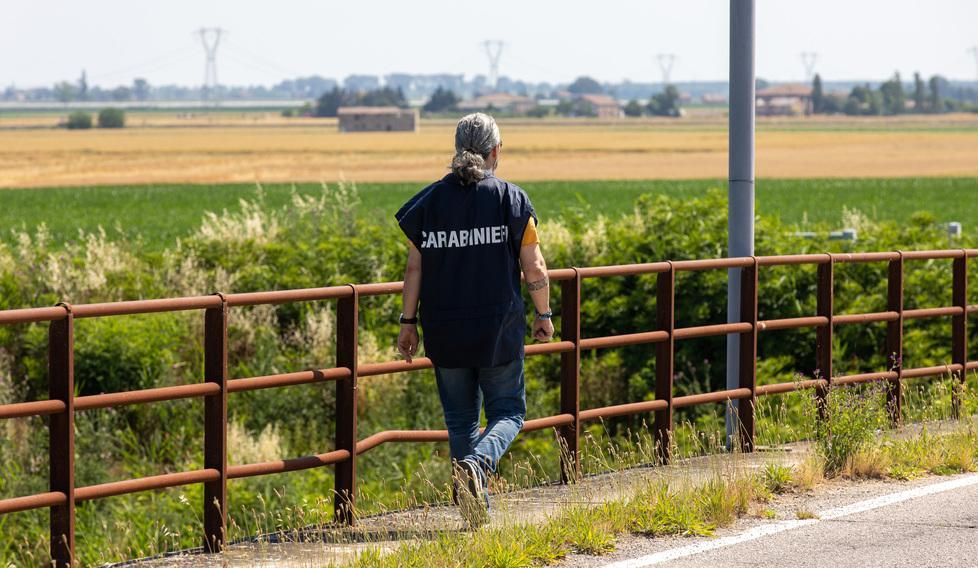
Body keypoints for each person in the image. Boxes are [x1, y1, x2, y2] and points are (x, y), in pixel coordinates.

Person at [394, 113, 553, 526]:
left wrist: (407, 322)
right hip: (497, 330)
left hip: (445, 330)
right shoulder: (512, 201)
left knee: (461, 420)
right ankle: (479, 465)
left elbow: (415, 270)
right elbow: (533, 268)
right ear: (495, 151)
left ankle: (475, 513)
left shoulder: (428, 203)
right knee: (510, 413)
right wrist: (544, 314)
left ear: (456, 149)